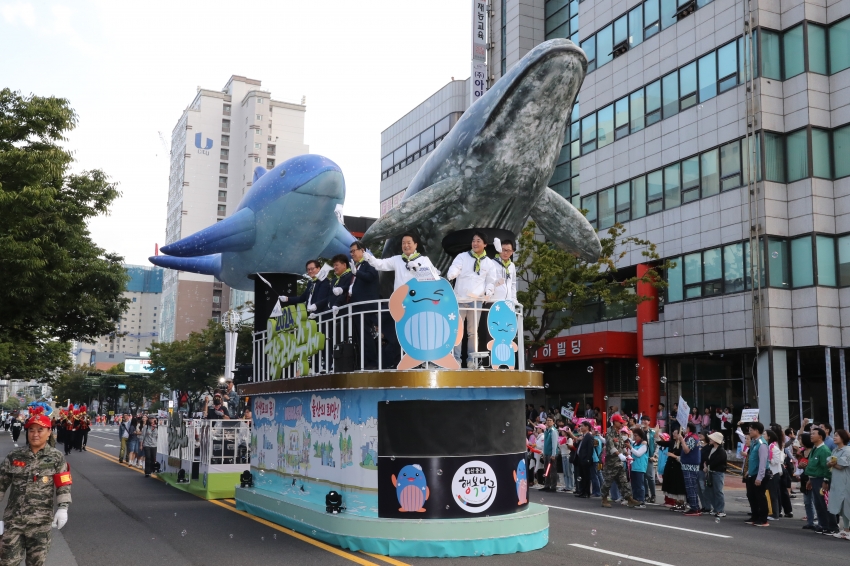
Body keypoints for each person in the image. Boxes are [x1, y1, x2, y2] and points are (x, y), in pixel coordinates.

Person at [0, 409, 71, 566]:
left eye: (40, 430)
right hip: (14, 522)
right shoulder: (14, 456)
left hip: (41, 523)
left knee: (36, 563)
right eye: (31, 430)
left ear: (48, 432)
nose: (35, 434)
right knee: (7, 562)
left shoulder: (56, 457)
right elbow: (1, 483)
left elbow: (63, 484)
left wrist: (63, 508)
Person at [447, 231, 496, 365]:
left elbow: (491, 281)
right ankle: (456, 359)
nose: (475, 243)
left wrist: (489, 291)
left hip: (476, 301)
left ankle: (471, 360)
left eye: (478, 240)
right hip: (460, 300)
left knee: (472, 333)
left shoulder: (489, 263)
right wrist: (452, 273)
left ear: (485, 244)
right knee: (457, 332)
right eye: (473, 240)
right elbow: (455, 267)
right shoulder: (462, 256)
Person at [478, 239, 517, 351]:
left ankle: (504, 357)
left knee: (506, 331)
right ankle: (490, 359)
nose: (505, 253)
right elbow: (486, 281)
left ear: (513, 251)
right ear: (499, 249)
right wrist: (494, 285)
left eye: (508, 250)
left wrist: (514, 300)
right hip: (493, 302)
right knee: (492, 331)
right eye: (503, 250)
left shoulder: (512, 266)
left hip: (507, 304)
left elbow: (513, 284)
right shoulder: (492, 263)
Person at [365, 233, 440, 290]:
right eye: (403, 243)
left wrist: (418, 269)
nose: (406, 245)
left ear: (415, 245)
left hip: (417, 299)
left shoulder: (424, 259)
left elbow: (434, 275)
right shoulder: (397, 259)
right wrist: (370, 259)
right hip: (400, 299)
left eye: (409, 243)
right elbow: (381, 264)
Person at [349, 240, 380, 369]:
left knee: (366, 336)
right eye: (350, 252)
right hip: (356, 306)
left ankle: (372, 363)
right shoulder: (357, 266)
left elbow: (371, 276)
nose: (352, 254)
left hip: (366, 306)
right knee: (359, 337)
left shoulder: (370, 262)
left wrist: (357, 273)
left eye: (354, 251)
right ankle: (363, 363)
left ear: (363, 250)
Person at [601, 414, 638, 508]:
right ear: (614, 422)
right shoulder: (609, 433)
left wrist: (627, 454)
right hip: (611, 463)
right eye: (620, 422)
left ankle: (629, 499)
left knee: (624, 481)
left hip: (619, 463)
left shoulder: (619, 433)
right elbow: (611, 447)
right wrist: (619, 455)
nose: (622, 424)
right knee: (608, 481)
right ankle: (604, 499)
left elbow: (622, 446)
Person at [807, 427, 838, 534]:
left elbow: (827, 468)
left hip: (821, 480)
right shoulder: (815, 448)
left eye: (813, 434)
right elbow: (813, 466)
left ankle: (832, 526)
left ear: (820, 436)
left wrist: (826, 480)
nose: (811, 435)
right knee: (818, 504)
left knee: (825, 503)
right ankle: (823, 524)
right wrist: (810, 479)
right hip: (814, 479)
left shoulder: (824, 450)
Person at [745, 422, 770, 527]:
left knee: (760, 496)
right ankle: (755, 516)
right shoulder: (754, 442)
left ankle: (763, 519)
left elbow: (763, 462)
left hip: (759, 474)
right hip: (752, 473)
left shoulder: (761, 443)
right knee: (751, 495)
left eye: (751, 430)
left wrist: (759, 477)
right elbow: (752, 459)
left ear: (757, 431)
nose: (749, 432)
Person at [827, 429, 850, 539]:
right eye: (834, 435)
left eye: (837, 435)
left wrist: (832, 463)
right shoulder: (835, 450)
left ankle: (848, 529)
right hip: (837, 482)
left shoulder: (847, 450)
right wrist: (832, 463)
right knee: (841, 507)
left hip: (846, 482)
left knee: (847, 506)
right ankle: (845, 529)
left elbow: (842, 465)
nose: (834, 437)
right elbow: (831, 463)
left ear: (843, 438)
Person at [658, 429, 687, 510]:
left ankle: (681, 503)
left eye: (676, 433)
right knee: (672, 485)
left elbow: (684, 457)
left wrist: (674, 456)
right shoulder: (672, 442)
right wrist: (657, 434)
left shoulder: (683, 444)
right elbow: (661, 442)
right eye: (673, 433)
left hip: (678, 467)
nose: (674, 434)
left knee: (679, 485)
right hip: (670, 466)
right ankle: (676, 502)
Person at [679, 423, 702, 516]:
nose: (684, 430)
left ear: (688, 428)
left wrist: (681, 440)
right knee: (691, 487)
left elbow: (687, 450)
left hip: (690, 466)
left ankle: (694, 508)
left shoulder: (692, 438)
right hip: (689, 465)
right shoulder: (692, 437)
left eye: (685, 428)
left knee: (690, 487)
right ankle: (695, 506)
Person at [705, 432, 727, 517]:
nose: (710, 440)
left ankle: (720, 510)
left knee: (718, 491)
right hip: (711, 472)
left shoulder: (721, 451)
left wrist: (707, 466)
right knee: (711, 491)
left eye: (711, 439)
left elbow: (717, 462)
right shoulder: (711, 448)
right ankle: (715, 509)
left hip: (718, 472)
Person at [639, 415, 657, 503]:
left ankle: (653, 495)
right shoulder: (639, 432)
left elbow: (657, 445)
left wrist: (655, 455)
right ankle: (646, 494)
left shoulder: (652, 432)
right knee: (643, 476)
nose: (644, 422)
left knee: (650, 476)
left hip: (649, 456)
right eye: (642, 420)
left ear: (649, 422)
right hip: (640, 456)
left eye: (646, 420)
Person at [574, 421, 594, 497]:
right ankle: (581, 491)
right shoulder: (582, 436)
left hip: (585, 459)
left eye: (582, 426)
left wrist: (588, 459)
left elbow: (590, 449)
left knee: (586, 476)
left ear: (587, 427)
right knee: (581, 475)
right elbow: (576, 445)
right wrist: (578, 440)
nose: (581, 427)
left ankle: (586, 492)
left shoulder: (589, 436)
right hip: (580, 458)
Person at [630, 428, 648, 508]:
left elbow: (638, 454)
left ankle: (641, 501)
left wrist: (630, 448)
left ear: (640, 436)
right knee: (634, 485)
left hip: (640, 467)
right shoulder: (634, 444)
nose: (634, 437)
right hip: (634, 466)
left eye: (636, 435)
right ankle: (635, 500)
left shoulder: (644, 445)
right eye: (634, 435)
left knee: (640, 485)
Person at [541, 417, 559, 492]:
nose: (548, 422)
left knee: (552, 470)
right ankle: (547, 485)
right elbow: (544, 443)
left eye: (550, 420)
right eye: (547, 420)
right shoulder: (546, 430)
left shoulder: (553, 431)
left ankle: (553, 486)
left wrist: (553, 454)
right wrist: (543, 452)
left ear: (553, 422)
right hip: (546, 453)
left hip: (551, 453)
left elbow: (554, 443)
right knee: (546, 470)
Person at [558, 426, 574, 493]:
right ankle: (566, 486)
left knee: (569, 472)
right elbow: (559, 448)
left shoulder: (569, 439)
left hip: (568, 456)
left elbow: (570, 447)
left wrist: (566, 443)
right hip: (563, 455)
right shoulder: (561, 439)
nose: (561, 432)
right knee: (565, 472)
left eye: (563, 431)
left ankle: (570, 486)